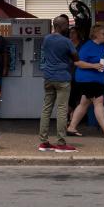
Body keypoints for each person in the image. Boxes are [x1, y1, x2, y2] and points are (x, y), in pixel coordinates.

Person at [67, 24, 104, 139]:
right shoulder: (87, 46)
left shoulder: (102, 47)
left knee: (84, 103)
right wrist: (93, 66)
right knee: (98, 101)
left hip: (97, 79)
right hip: (88, 79)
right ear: (95, 34)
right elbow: (77, 62)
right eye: (103, 33)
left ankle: (71, 127)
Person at [37, 15, 79, 153]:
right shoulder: (67, 41)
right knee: (62, 109)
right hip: (62, 78)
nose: (68, 27)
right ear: (61, 26)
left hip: (48, 77)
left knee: (46, 108)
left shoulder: (46, 39)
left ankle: (43, 142)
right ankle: (61, 143)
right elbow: (75, 58)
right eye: (66, 25)